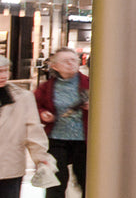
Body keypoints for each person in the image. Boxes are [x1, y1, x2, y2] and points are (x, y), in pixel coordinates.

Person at [34, 47, 86, 198]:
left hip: (84, 141)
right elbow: (34, 106)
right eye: (66, 61)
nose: (71, 64)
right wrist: (43, 114)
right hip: (57, 139)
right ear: (55, 66)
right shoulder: (47, 87)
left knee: (85, 179)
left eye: (74, 60)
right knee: (56, 182)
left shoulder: (90, 84)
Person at [0, 56, 54, 198]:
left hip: (9, 167)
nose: (4, 76)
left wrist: (41, 159)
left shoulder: (23, 98)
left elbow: (33, 131)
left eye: (6, 71)